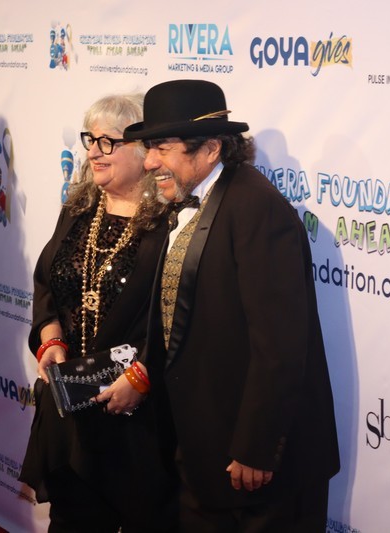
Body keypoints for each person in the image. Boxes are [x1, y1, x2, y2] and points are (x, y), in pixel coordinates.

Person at [122, 79, 340, 531]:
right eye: (149, 148)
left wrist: (257, 448)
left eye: (162, 147)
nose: (149, 162)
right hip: (203, 457)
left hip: (259, 473)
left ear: (210, 149)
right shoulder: (187, 203)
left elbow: (280, 346)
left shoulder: (257, 209)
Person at [19, 93, 177, 532]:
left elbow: (177, 316)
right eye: (91, 139)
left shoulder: (170, 221)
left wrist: (141, 377)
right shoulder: (79, 208)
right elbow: (47, 283)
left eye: (108, 141)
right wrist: (50, 337)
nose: (93, 152)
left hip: (138, 414)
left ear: (144, 150)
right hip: (72, 406)